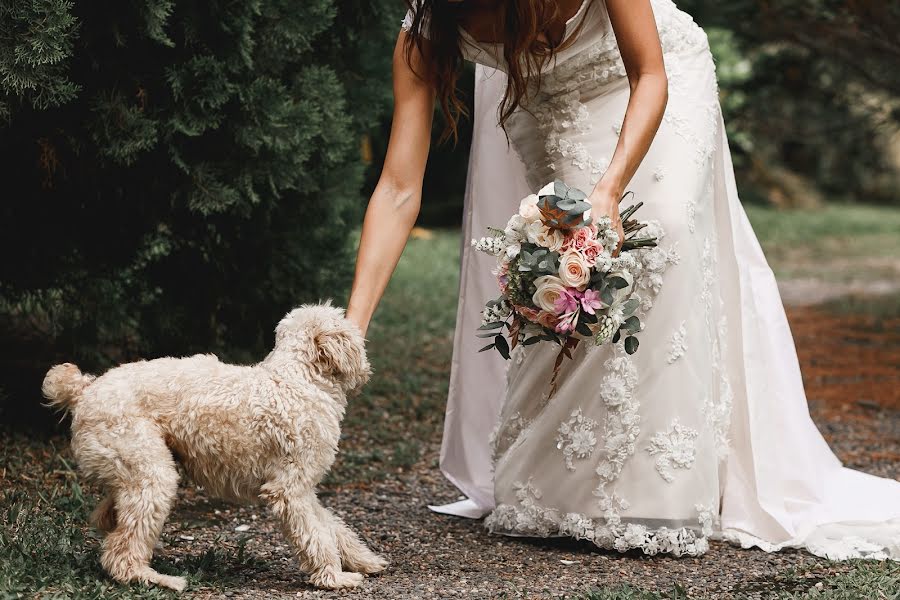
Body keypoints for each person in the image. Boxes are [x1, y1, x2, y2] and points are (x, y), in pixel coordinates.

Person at [346, 0, 900, 559]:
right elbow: (397, 187)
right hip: (546, 103)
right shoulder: (428, 27)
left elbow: (650, 73)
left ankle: (664, 487)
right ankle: (563, 483)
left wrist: (609, 191)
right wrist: (353, 327)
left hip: (651, 76)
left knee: (660, 233)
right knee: (564, 267)